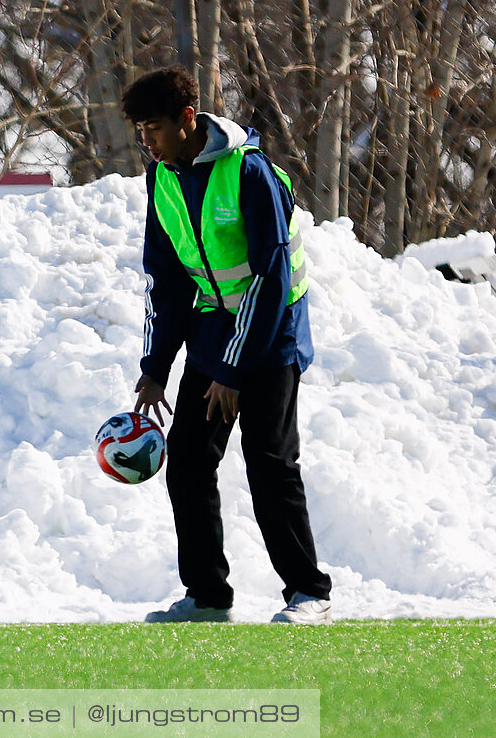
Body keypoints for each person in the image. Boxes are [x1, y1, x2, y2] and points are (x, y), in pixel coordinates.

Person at [122, 67, 333, 625]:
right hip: (216, 335)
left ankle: (309, 593)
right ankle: (208, 598)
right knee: (187, 463)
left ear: (188, 120)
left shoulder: (249, 171)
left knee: (269, 464)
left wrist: (234, 372)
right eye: (140, 130)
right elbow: (164, 277)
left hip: (270, 334)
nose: (148, 141)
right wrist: (156, 367)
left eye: (156, 128)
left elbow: (268, 278)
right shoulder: (160, 177)